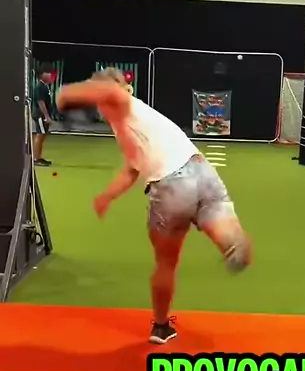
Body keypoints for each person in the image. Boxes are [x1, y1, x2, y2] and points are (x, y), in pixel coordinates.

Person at [56, 68, 252, 344]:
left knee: (165, 263)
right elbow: (131, 170)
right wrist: (107, 196)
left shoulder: (124, 103)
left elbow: (110, 91)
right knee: (215, 215)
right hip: (200, 171)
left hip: (171, 187)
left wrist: (66, 93)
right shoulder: (132, 123)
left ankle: (161, 327)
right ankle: (229, 242)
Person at [32, 67, 55, 166]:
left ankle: (39, 157)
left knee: (42, 135)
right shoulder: (40, 87)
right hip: (40, 115)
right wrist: (46, 116)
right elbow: (41, 102)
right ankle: (36, 159)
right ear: (41, 75)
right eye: (47, 72)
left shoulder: (45, 86)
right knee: (40, 135)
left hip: (43, 115)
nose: (50, 75)